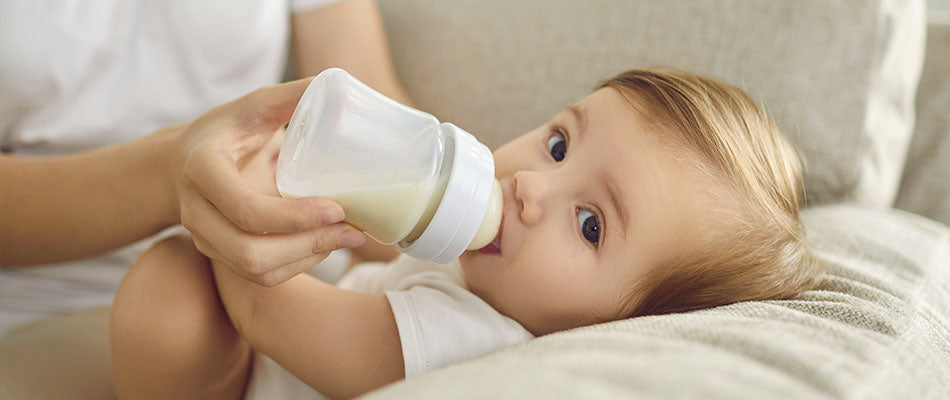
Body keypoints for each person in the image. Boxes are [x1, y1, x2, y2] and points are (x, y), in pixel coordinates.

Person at [111, 68, 827, 399]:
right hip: (261, 356)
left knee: (168, 290)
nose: (530, 189)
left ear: (631, 324)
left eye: (590, 224)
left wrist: (251, 204)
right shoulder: (490, 274)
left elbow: (271, 309)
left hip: (257, 363)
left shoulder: (478, 347)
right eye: (557, 145)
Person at [0, 0, 406, 397]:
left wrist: (439, 250)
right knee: (169, 307)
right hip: (57, 292)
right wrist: (169, 174)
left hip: (289, 263)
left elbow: (369, 120)